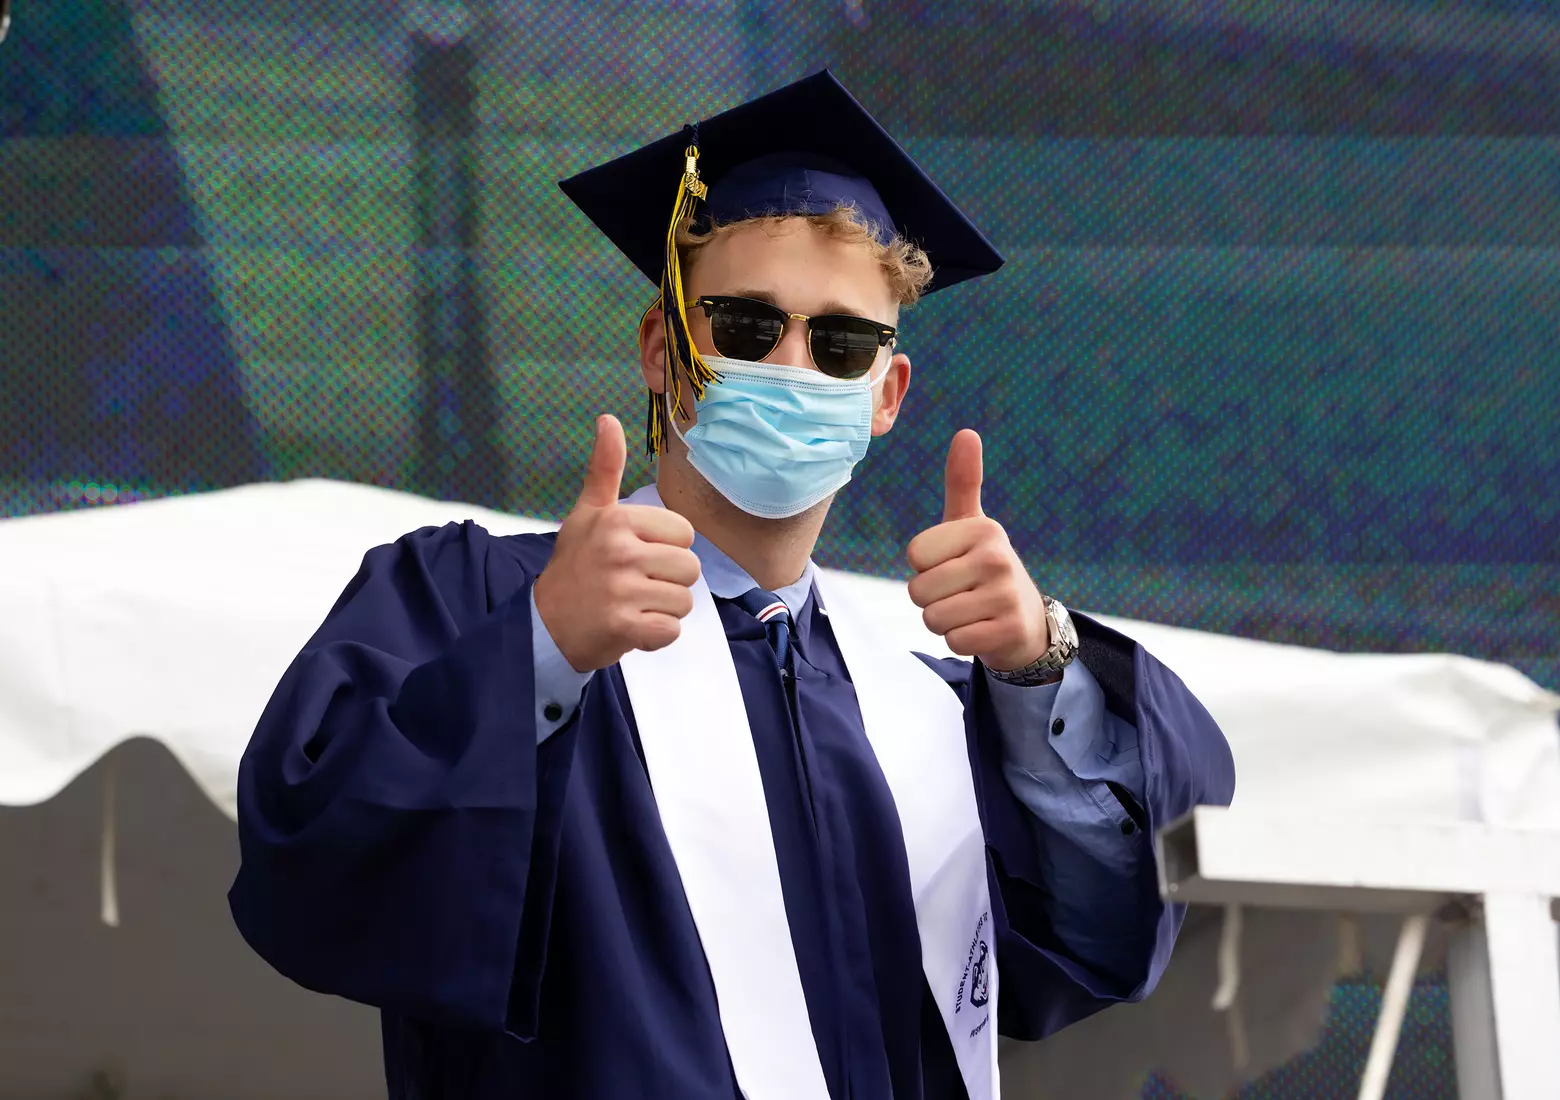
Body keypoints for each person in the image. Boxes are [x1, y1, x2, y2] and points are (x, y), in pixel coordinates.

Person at [230, 70, 1234, 1100]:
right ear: (665, 351)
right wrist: (539, 648)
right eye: (748, 326)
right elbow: (306, 875)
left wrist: (1041, 666)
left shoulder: (932, 709)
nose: (794, 365)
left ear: (885, 395)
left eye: (841, 343)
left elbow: (1106, 938)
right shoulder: (476, 602)